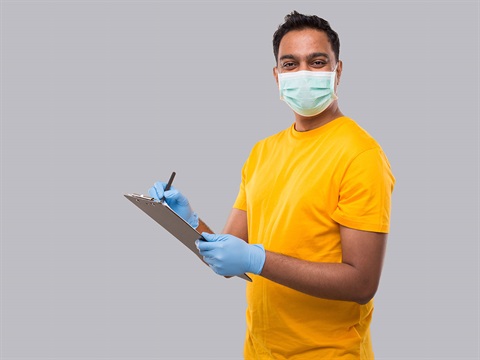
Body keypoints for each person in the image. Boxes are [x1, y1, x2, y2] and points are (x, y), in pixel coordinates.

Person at [149, 11, 395, 360]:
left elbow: (362, 284)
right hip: (259, 351)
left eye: (318, 61)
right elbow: (229, 253)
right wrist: (187, 221)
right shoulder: (262, 151)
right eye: (290, 64)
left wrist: (257, 259)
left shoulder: (360, 154)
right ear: (277, 75)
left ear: (338, 71)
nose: (303, 73)